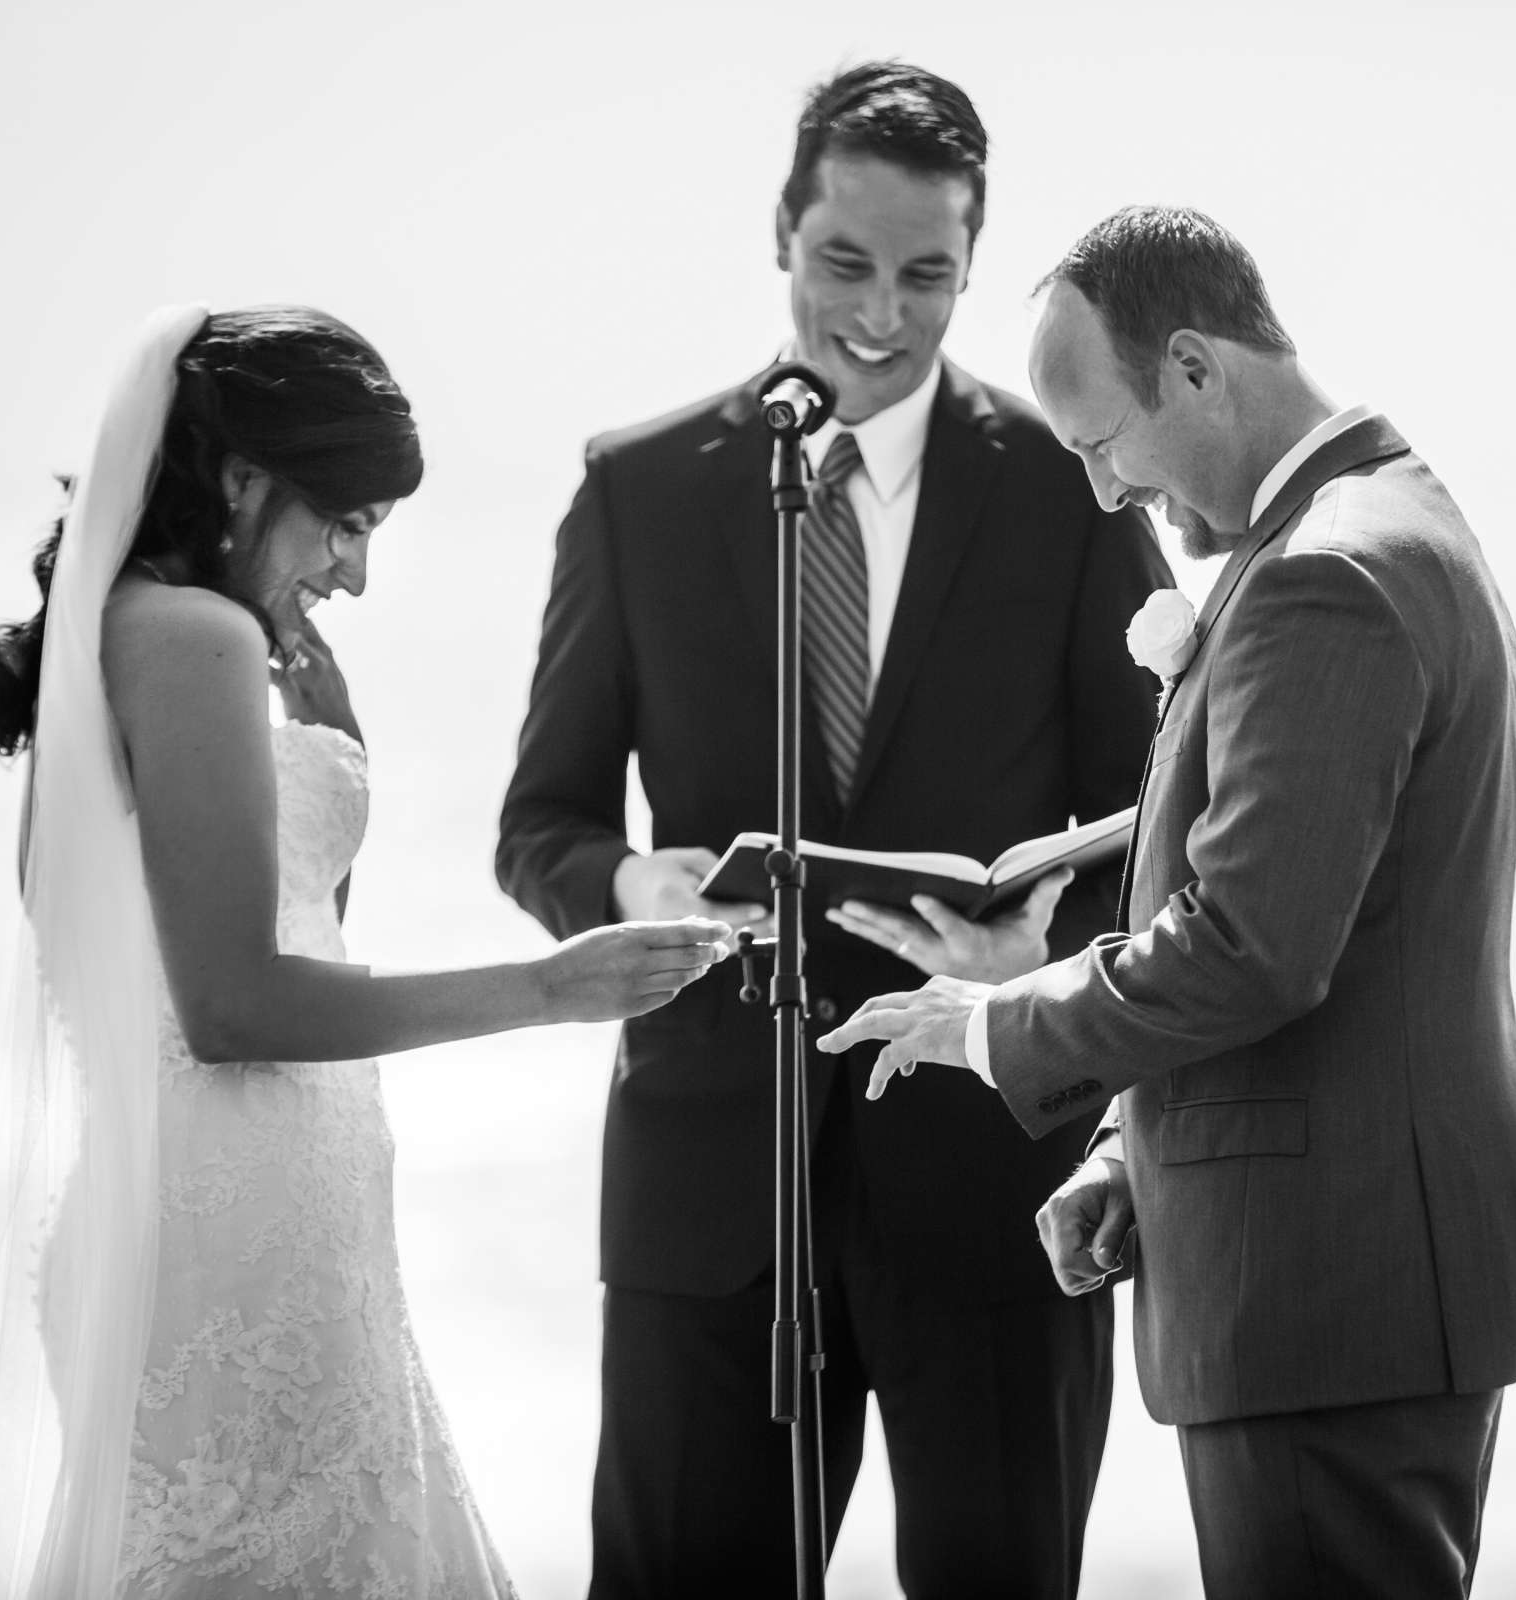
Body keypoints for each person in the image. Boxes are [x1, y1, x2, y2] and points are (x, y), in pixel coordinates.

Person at [822, 206, 1516, 1597]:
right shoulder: (1374, 526)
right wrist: (1124, 1153)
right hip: (1326, 1290)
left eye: (1102, 441)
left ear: (1198, 369)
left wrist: (991, 1025)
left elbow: (1250, 946)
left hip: (1325, 1305)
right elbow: (1297, 924)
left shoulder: (1326, 577)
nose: (1105, 495)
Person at [0, 305, 732, 1600]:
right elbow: (234, 1003)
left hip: (263, 1233)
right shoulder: (194, 638)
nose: (353, 574)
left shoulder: (136, 638)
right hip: (231, 1260)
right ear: (241, 481)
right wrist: (551, 987)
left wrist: (332, 738)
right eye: (343, 524)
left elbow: (274, 933)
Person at [495, 62, 1171, 1600]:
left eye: (928, 276)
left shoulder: (1069, 493)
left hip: (992, 1178)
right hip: (709, 1181)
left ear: (971, 268)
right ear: (782, 237)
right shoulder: (640, 488)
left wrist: (1045, 944)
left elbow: (1159, 814)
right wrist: (622, 880)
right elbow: (540, 820)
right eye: (845, 265)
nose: (882, 312)